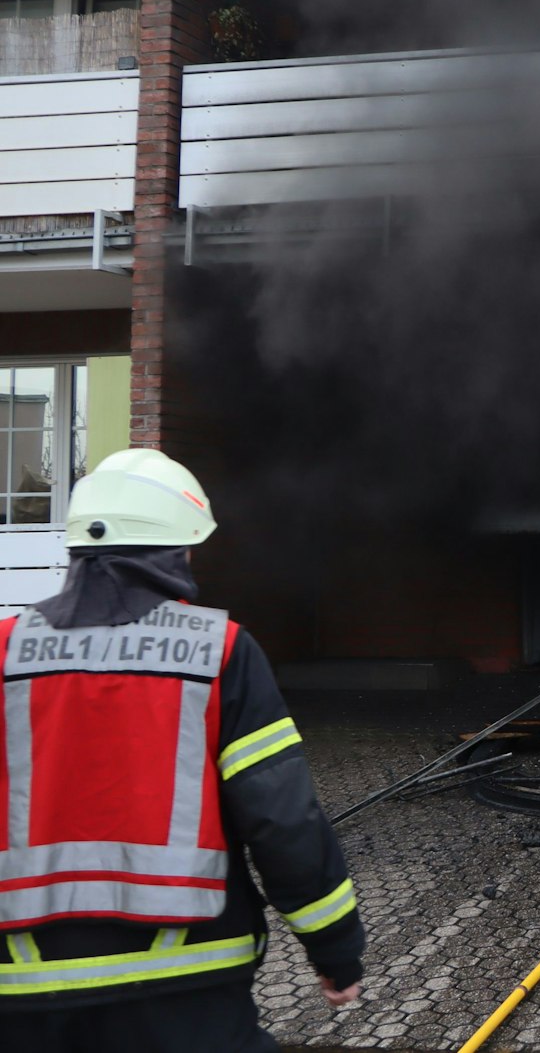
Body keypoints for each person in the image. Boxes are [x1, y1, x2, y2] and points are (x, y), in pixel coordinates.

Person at [0, 449, 364, 1052]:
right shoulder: (219, 652)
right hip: (187, 983)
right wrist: (335, 950)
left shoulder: (7, 653)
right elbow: (282, 819)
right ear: (173, 551)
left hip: (23, 989)